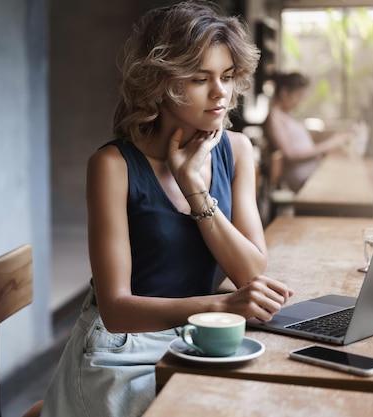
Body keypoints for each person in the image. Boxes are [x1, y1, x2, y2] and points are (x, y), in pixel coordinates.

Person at [40, 2, 293, 417]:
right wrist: (221, 306)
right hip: (122, 351)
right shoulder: (112, 166)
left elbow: (251, 271)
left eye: (227, 77)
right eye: (200, 78)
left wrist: (195, 187)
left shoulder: (238, 151)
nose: (220, 93)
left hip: (198, 337)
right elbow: (117, 310)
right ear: (160, 83)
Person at [262, 71, 352, 192]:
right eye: (298, 95)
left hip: (312, 173)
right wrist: (330, 144)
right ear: (284, 93)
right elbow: (291, 154)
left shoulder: (284, 115)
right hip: (304, 179)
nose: (300, 101)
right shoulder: (274, 118)